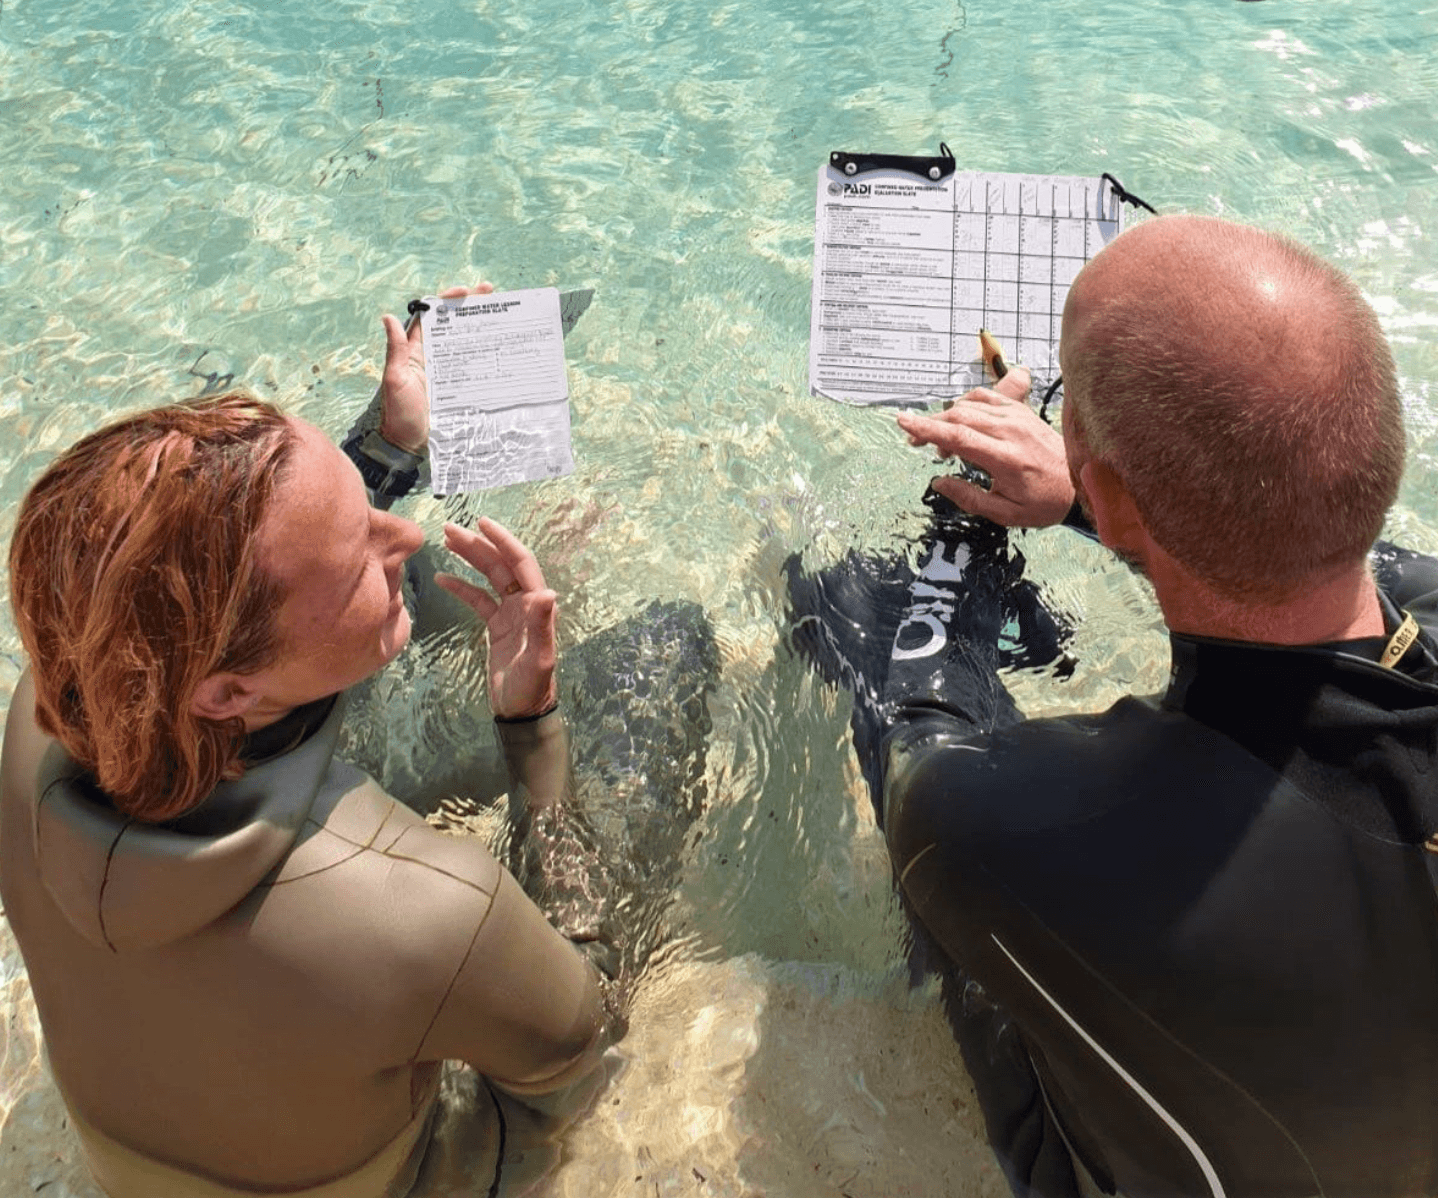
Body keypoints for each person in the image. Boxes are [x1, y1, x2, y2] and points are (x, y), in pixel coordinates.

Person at [788, 215, 1438, 1197]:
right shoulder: (1413, 602)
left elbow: (928, 741)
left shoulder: (1012, 829)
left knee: (859, 616)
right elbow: (1287, 549)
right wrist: (1094, 495)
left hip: (1111, 1167)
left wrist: (952, 547)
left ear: (1115, 495)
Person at [0, 285, 628, 1198]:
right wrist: (533, 736)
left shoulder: (35, 725)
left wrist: (387, 444)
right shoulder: (432, 910)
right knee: (662, 663)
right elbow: (581, 1049)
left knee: (404, 589)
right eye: (360, 547)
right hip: (414, 1174)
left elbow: (246, 581)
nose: (405, 532)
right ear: (228, 691)